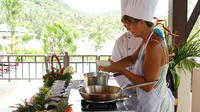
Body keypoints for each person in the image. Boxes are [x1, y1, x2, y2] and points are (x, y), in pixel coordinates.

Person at [99, 0, 174, 112]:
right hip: (150, 100)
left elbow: (148, 85)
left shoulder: (153, 45)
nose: (127, 29)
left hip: (157, 104)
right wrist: (111, 65)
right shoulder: (149, 39)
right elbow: (132, 59)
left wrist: (121, 69)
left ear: (142, 22)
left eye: (129, 25)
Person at [112, 32, 142, 110]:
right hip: (127, 90)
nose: (127, 27)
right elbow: (131, 60)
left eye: (129, 24)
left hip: (148, 92)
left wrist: (114, 67)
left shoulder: (152, 41)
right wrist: (126, 86)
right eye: (126, 25)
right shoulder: (121, 40)